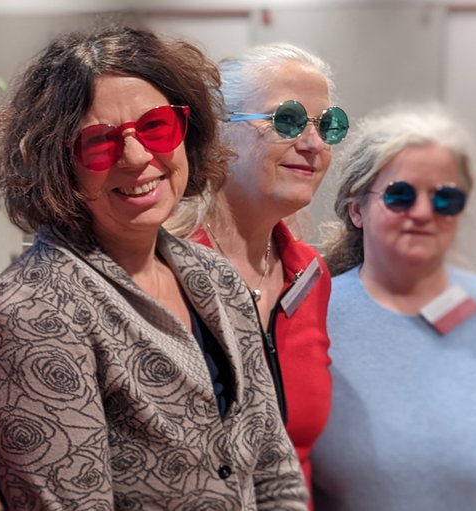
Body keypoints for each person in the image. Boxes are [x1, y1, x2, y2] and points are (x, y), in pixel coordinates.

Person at [0, 25, 308, 509]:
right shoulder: (32, 310)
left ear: (186, 135)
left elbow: (274, 473)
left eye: (156, 128)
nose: (136, 157)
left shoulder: (217, 278)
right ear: (58, 165)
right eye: (99, 143)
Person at [166, 43, 347, 503]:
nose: (313, 144)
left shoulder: (309, 274)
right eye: (286, 120)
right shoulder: (161, 265)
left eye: (328, 126)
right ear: (217, 132)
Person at [311, 105, 476, 509]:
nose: (423, 213)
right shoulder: (310, 313)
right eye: (400, 195)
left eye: (445, 198)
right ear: (356, 210)